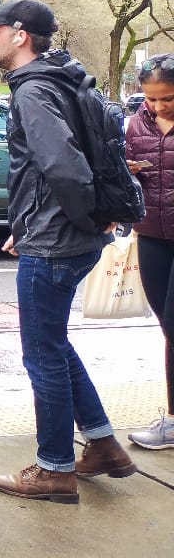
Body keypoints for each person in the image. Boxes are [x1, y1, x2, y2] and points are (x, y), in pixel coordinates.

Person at [0, 0, 134, 504]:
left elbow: (61, 165)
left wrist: (77, 219)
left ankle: (54, 469)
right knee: (55, 344)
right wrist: (27, 224)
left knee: (42, 354)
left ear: (20, 35)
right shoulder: (60, 80)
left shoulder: (34, 91)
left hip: (56, 242)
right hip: (57, 233)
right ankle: (103, 446)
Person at [124, 53, 174, 450]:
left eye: (167, 98)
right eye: (151, 98)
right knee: (167, 328)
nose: (158, 106)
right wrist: (126, 170)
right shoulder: (137, 124)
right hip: (152, 234)